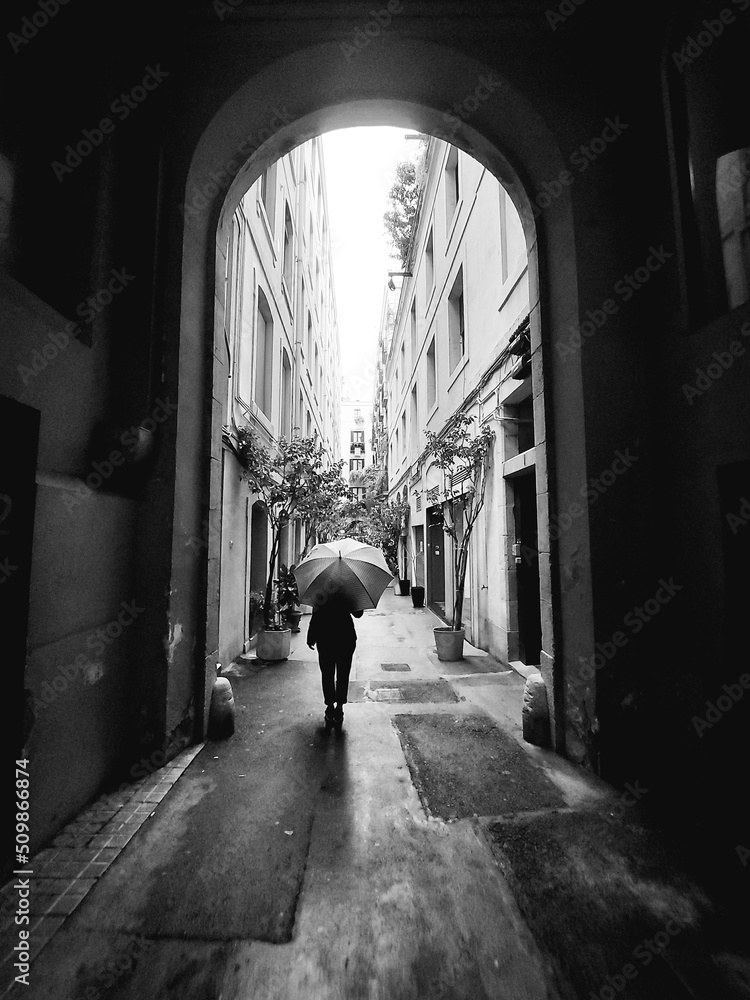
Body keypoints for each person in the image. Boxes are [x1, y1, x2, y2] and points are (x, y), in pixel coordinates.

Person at [306, 591, 363, 727]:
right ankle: (339, 708)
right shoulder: (350, 589)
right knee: (343, 674)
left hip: (326, 637)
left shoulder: (322, 590)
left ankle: (330, 707)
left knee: (327, 674)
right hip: (345, 637)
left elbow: (316, 615)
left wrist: (311, 637)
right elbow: (358, 614)